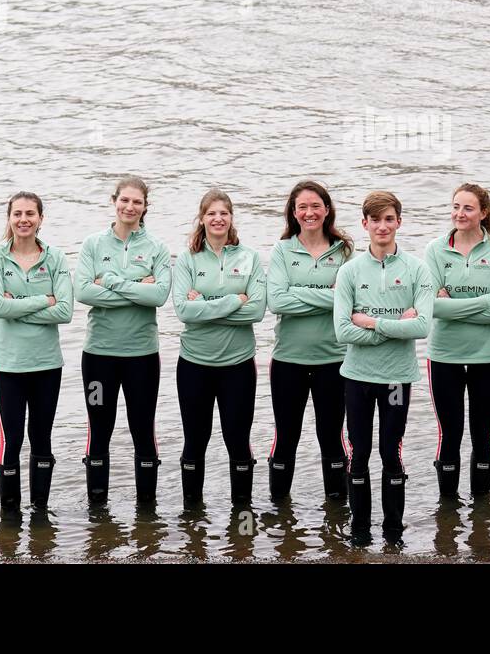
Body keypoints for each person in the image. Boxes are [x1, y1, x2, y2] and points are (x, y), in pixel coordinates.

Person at [333, 191, 433, 544]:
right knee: (359, 453)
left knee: (390, 452)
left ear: (399, 223)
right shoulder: (349, 271)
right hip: (357, 379)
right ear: (365, 224)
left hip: (396, 380)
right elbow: (342, 330)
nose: (382, 226)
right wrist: (394, 329)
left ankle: (393, 532)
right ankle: (359, 531)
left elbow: (421, 328)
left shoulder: (417, 269)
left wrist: (373, 324)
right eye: (375, 220)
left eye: (389, 219)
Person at [75, 176, 173, 506]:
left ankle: (147, 511)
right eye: (125, 200)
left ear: (145, 207)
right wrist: (136, 289)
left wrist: (113, 282)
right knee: (99, 429)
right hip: (99, 356)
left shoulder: (157, 248)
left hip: (141, 356)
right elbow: (84, 291)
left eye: (137, 202)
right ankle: (96, 510)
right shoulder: (93, 244)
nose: (130, 207)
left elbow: (159, 295)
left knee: (142, 430)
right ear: (114, 201)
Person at [172, 188, 267, 506]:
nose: (218, 218)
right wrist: (233, 301)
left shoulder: (249, 257)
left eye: (224, 213)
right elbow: (184, 312)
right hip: (194, 365)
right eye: (211, 213)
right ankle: (192, 515)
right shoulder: (187, 259)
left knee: (237, 441)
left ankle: (242, 515)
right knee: (195, 441)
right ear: (201, 219)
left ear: (231, 218)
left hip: (238, 365)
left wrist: (207, 306)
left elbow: (256, 311)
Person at [423, 183, 490, 499]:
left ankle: (481, 510)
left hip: (488, 356)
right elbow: (431, 307)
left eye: (467, 208)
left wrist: (452, 305)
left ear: (483, 212)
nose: (459, 214)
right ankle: (446, 512)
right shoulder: (436, 249)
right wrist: (482, 301)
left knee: (482, 435)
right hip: (444, 355)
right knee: (449, 434)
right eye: (455, 207)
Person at [0, 191, 72, 510]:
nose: (24, 219)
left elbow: (65, 311)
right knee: (11, 440)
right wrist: (40, 301)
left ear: (40, 219)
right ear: (9, 218)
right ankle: (9, 516)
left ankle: (39, 512)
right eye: (17, 214)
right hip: (6, 365)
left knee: (42, 438)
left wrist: (16, 304)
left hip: (46, 364)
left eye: (30, 214)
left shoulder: (55, 257)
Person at [265, 181, 353, 501]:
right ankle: (279, 512)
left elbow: (350, 302)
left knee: (331, 437)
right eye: (302, 207)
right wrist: (328, 297)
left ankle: (337, 511)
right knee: (286, 437)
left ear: (327, 210)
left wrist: (298, 294)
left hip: (334, 359)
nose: (309, 212)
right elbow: (276, 301)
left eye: (315, 206)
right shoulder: (283, 250)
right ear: (293, 212)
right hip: (289, 360)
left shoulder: (343, 250)